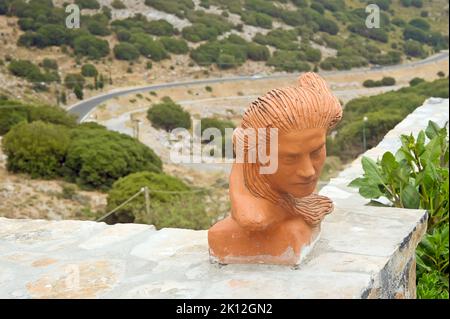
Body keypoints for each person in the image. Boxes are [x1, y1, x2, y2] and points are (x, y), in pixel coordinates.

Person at [208, 72, 343, 265]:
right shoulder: (255, 217)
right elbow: (251, 218)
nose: (309, 172)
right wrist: (243, 162)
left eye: (316, 152)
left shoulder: (296, 203)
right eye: (290, 158)